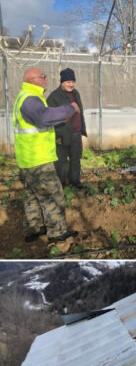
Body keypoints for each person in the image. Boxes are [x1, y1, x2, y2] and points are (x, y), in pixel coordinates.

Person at [13, 67, 80, 243]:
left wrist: (58, 119)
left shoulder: (26, 97)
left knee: (33, 194)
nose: (46, 79)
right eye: (43, 76)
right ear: (33, 79)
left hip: (29, 158)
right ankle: (57, 233)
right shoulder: (30, 98)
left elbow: (40, 121)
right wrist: (70, 109)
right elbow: (43, 117)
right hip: (38, 158)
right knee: (53, 194)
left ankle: (33, 229)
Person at [47, 68, 87, 189]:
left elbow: (79, 111)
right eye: (68, 82)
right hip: (62, 134)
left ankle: (75, 181)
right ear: (62, 82)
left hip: (76, 133)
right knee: (61, 161)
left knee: (76, 158)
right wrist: (57, 136)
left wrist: (81, 129)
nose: (71, 84)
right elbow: (50, 118)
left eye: (73, 81)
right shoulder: (54, 97)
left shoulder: (76, 93)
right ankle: (61, 183)